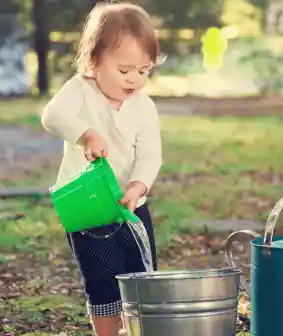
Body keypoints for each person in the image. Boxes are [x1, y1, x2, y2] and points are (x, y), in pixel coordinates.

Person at [41, 2, 163, 335]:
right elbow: (52, 116)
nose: (134, 79)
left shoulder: (144, 106)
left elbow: (151, 155)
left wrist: (139, 186)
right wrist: (86, 134)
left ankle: (139, 329)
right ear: (95, 61)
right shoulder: (80, 90)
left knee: (142, 274)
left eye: (144, 70)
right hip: (87, 205)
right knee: (103, 277)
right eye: (124, 71)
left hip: (131, 204)